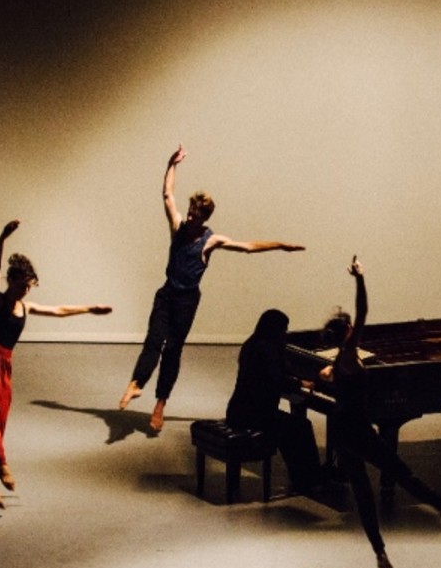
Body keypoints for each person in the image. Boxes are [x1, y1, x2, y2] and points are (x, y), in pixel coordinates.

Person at [119, 145, 305, 433]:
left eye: (196, 215)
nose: (191, 217)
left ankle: (160, 405)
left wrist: (280, 245)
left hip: (187, 301)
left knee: (173, 350)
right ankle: (136, 383)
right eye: (190, 211)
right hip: (167, 294)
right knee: (154, 341)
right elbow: (167, 195)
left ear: (205, 218)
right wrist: (172, 164)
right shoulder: (178, 227)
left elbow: (247, 247)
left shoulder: (210, 240)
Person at [319, 256, 441, 568]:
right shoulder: (348, 353)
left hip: (341, 431)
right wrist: (359, 278)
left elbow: (334, 377)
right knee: (401, 474)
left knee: (362, 494)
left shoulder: (337, 363)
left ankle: (379, 551)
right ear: (347, 332)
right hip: (358, 430)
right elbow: (363, 312)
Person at [0, 220, 112, 509]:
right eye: (21, 286)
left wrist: (90, 309)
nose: (25, 292)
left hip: (5, 366)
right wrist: (1, 238)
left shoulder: (26, 307)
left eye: (29, 287)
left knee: (0, 422)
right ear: (12, 282)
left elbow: (58, 310)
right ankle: (4, 466)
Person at [226, 309, 323, 494]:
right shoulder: (267, 348)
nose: (284, 334)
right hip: (254, 415)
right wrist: (300, 383)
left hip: (240, 410)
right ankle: (309, 479)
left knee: (293, 427)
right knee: (300, 426)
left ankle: (302, 475)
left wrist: (293, 382)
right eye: (283, 330)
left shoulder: (252, 343)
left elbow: (273, 377)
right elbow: (276, 380)